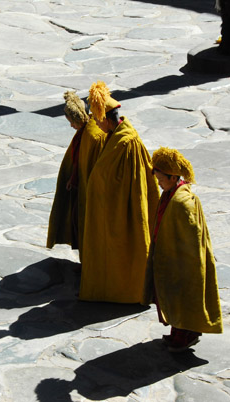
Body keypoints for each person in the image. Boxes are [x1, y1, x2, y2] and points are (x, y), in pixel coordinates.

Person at [79, 81, 160, 304]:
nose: (96, 124)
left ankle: (129, 291)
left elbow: (129, 181)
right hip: (110, 204)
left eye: (97, 119)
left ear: (105, 118)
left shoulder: (127, 143)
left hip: (124, 206)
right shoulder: (114, 136)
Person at [144, 147, 223, 352]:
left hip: (182, 259)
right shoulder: (171, 193)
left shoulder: (182, 202)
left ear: (172, 177)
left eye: (161, 179)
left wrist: (182, 261)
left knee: (182, 296)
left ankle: (186, 334)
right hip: (170, 255)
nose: (159, 184)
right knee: (172, 297)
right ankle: (178, 332)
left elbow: (191, 237)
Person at [47, 91, 106, 261]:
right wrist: (73, 177)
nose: (71, 126)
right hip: (79, 185)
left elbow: (89, 163)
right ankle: (84, 260)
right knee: (77, 223)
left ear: (77, 118)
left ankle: (89, 262)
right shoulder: (84, 133)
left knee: (86, 225)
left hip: (89, 190)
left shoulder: (92, 135)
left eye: (71, 122)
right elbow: (79, 160)